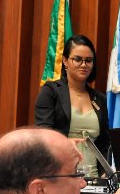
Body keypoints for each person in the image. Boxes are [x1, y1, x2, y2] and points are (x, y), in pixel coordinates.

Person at [34, 34, 110, 177]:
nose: (83, 65)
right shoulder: (50, 92)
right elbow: (42, 137)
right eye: (77, 59)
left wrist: (105, 172)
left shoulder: (99, 99)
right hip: (59, 175)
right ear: (65, 61)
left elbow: (104, 143)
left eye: (88, 60)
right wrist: (65, 144)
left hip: (93, 179)